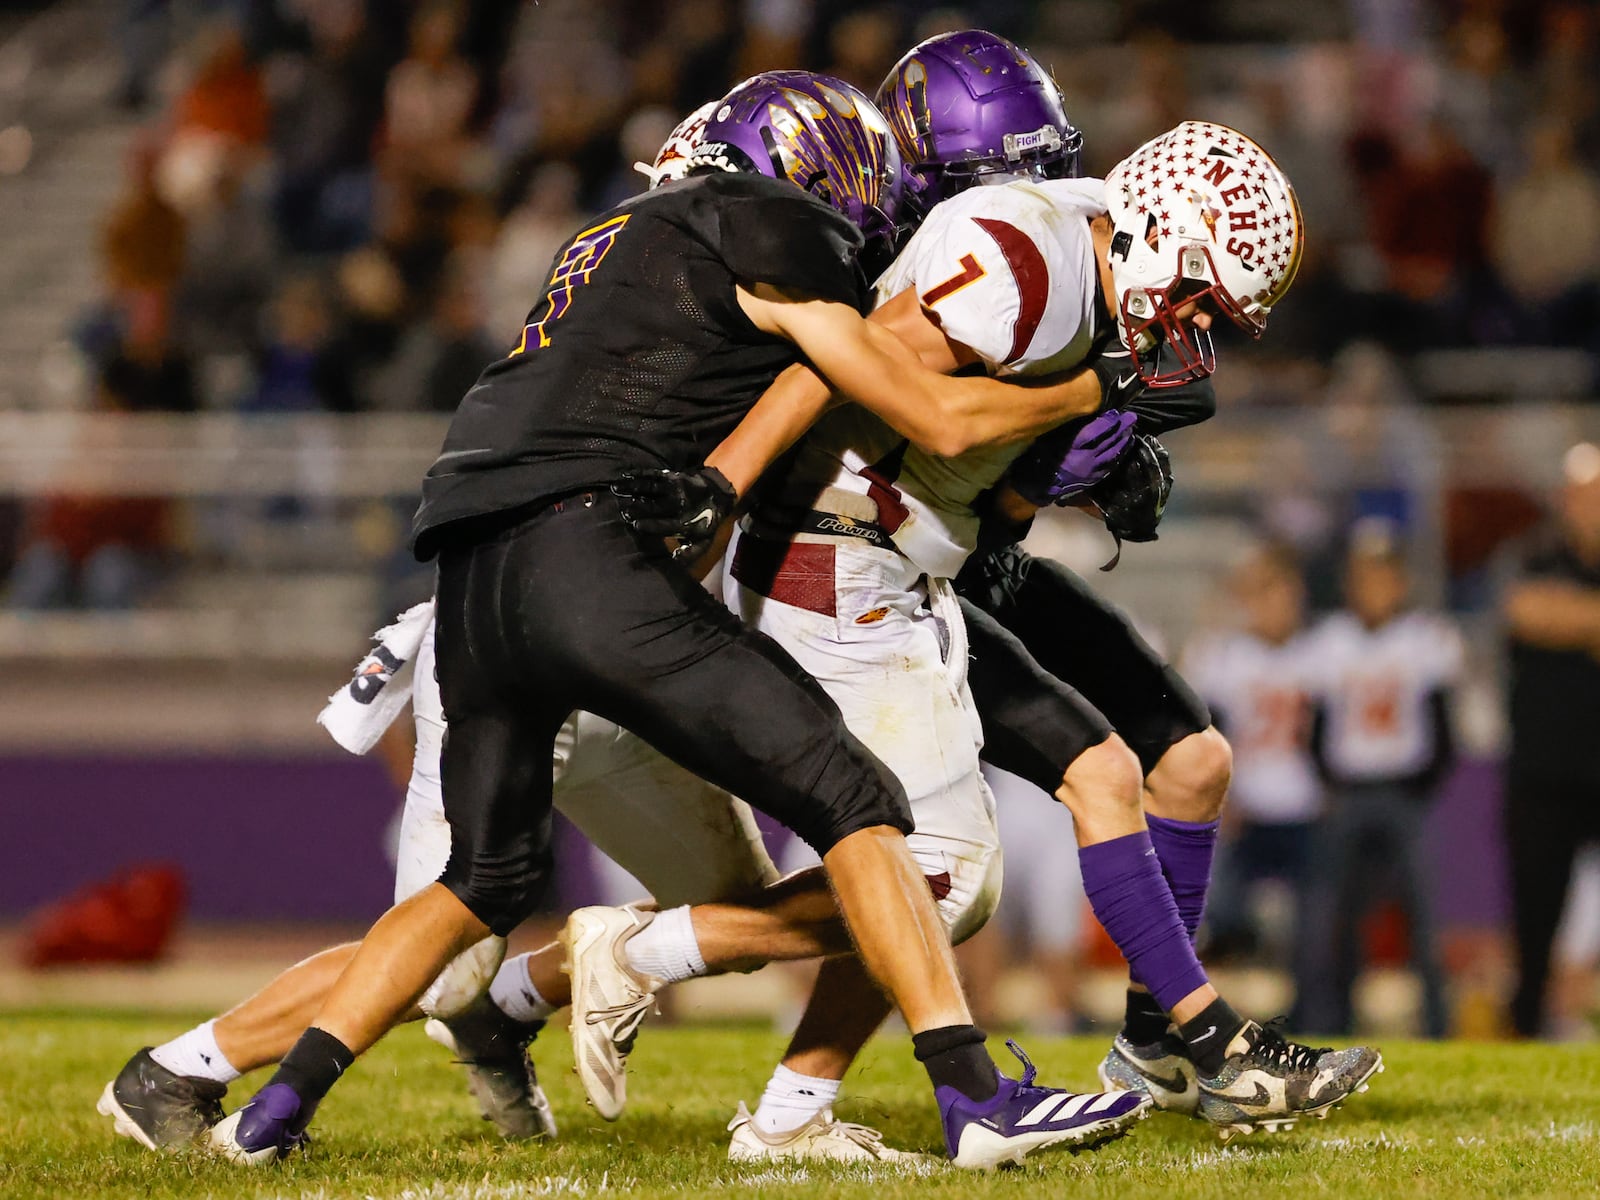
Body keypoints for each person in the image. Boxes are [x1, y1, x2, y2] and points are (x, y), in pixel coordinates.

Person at [205, 72, 1137, 1171]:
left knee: (482, 886)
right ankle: (971, 1094)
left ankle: (264, 1115)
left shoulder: (607, 237)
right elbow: (921, 405)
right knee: (861, 803)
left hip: (470, 560)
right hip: (592, 559)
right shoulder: (768, 223)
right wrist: (1093, 390)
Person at [573, 50, 1375, 1146]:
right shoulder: (1016, 257)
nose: (1191, 328)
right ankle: (647, 960)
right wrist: (721, 486)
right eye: (1194, 295)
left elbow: (989, 488)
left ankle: (807, 1099)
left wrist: (1081, 466)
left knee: (1059, 805)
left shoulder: (1089, 258)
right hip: (839, 558)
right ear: (1153, 230)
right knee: (945, 880)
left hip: (915, 562)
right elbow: (851, 371)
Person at [1295, 520, 1461, 1037]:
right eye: (1365, 576)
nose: (1374, 588)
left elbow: (1442, 728)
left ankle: (1437, 1027)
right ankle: (1326, 1027)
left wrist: (1420, 788)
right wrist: (1330, 782)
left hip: (1402, 793)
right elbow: (1316, 728)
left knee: (1423, 918)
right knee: (1332, 918)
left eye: (1383, 576)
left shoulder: (1426, 639)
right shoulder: (1330, 641)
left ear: (1401, 581)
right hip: (1349, 792)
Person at [1503, 441, 1600, 1036]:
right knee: (1535, 916)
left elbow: (1550, 614)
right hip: (1545, 770)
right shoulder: (1533, 552)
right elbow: (1524, 610)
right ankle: (1528, 1025)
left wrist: (1572, 616)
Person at [1186, 543, 1321, 962]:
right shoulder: (1223, 657)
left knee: (1313, 928)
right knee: (1220, 921)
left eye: (1279, 590)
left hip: (1306, 804)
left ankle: (1312, 1017)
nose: (1272, 603)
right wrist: (1221, 797)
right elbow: (1205, 737)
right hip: (1243, 809)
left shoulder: (1324, 650)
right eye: (1260, 592)